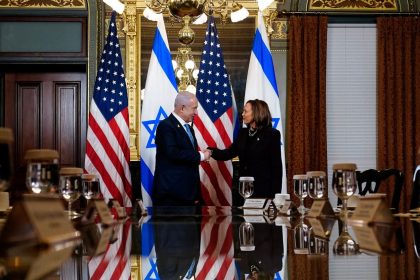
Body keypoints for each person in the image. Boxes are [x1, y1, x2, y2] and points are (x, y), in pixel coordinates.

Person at [208, 99, 282, 200]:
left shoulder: (272, 134)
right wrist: (210, 151)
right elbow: (229, 153)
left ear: (256, 113)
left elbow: (276, 167)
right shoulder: (243, 133)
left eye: (246, 111)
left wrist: (275, 196)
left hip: (263, 190)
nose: (242, 114)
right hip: (243, 189)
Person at [152, 91, 211, 206]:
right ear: (182, 108)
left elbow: (188, 155)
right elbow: (172, 153)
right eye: (194, 108)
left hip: (188, 194)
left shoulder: (188, 128)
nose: (196, 113)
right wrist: (201, 156)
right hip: (172, 196)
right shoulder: (166, 126)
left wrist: (198, 155)